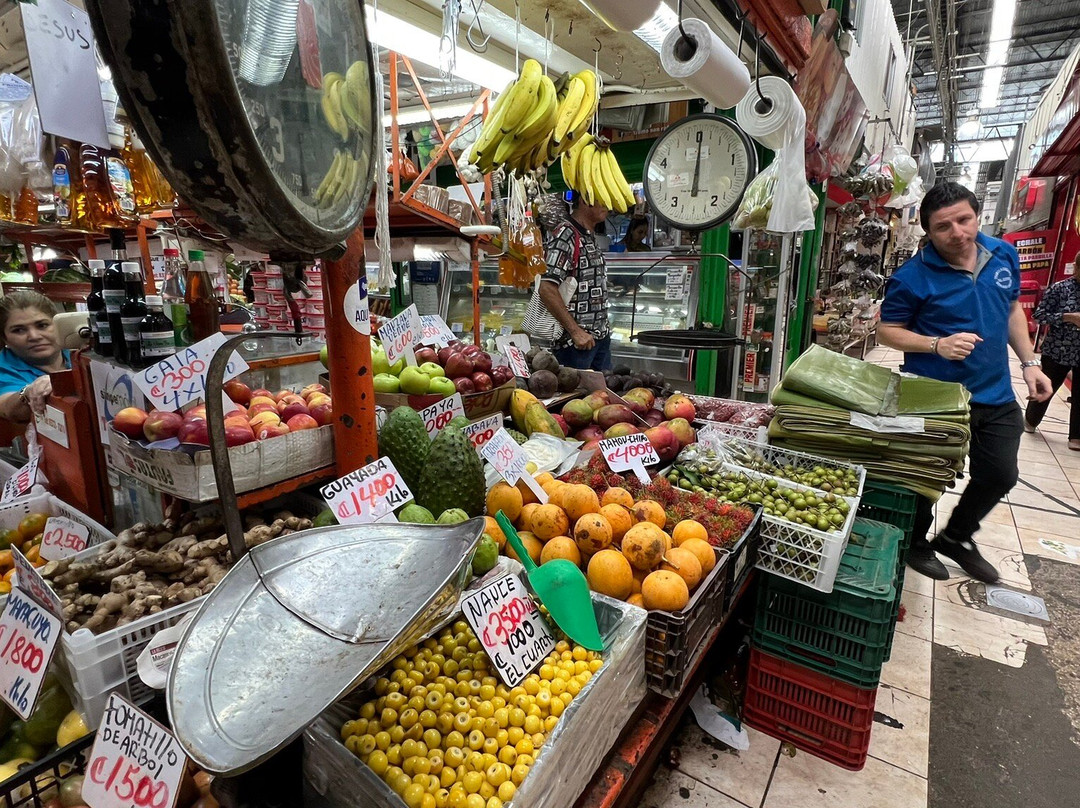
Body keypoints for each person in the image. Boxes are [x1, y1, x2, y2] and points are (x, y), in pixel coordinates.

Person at [878, 182, 1053, 584]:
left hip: (995, 391)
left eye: (964, 219)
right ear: (928, 232)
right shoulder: (912, 277)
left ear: (977, 215)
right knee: (926, 478)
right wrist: (936, 344)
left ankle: (957, 537)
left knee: (1000, 473)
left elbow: (1010, 310)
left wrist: (1028, 363)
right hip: (935, 396)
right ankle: (916, 542)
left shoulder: (1004, 254)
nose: (957, 232)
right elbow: (889, 330)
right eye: (944, 226)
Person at [538, 192, 612, 370]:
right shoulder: (566, 234)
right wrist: (576, 332)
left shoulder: (588, 234)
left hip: (599, 339)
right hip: (575, 345)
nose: (608, 206)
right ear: (585, 199)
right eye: (603, 199)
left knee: (603, 397)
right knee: (575, 396)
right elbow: (546, 287)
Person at [1025, 261, 1080, 449]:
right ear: (1077, 268)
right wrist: (1068, 317)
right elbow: (1040, 315)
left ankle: (1076, 437)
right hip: (1058, 349)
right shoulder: (1060, 288)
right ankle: (1031, 420)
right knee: (1046, 386)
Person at [0, 291, 71, 423]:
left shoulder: (78, 354)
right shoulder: (3, 369)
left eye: (42, 325)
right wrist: (28, 393)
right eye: (18, 330)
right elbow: (8, 408)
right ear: (5, 339)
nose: (34, 336)